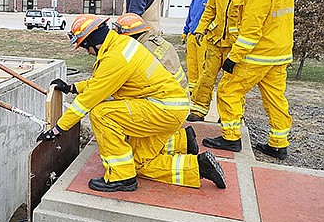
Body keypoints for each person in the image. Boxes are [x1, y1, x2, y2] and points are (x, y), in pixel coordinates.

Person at [38, 14, 226, 192]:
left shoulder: (115, 57)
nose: (87, 53)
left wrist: (58, 129)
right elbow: (102, 82)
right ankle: (196, 162)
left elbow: (87, 101)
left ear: (92, 42)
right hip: (167, 107)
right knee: (138, 163)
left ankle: (121, 177)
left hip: (162, 110)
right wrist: (73, 88)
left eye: (84, 47)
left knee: (101, 114)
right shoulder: (121, 44)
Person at [203, 0, 294, 160]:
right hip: (279, 55)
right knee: (275, 98)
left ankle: (231, 137)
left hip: (257, 55)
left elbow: (251, 28)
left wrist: (234, 57)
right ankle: (278, 143)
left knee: (228, 90)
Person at [187, 0, 250, 122]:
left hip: (235, 45)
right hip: (215, 42)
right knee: (206, 77)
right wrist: (200, 30)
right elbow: (210, 11)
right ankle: (198, 110)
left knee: (232, 83)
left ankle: (229, 116)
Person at [112, 12, 187, 90]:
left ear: (130, 35)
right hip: (182, 90)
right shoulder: (158, 41)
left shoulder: (143, 51)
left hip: (169, 93)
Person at [182, 0, 214, 92]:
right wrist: (185, 31)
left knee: (202, 64)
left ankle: (201, 90)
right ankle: (192, 88)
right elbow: (190, 16)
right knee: (191, 63)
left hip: (203, 37)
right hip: (191, 36)